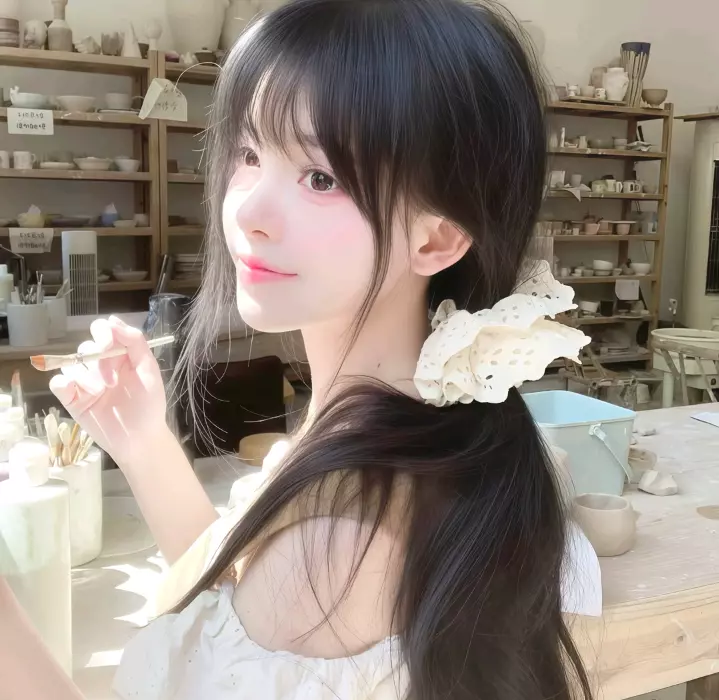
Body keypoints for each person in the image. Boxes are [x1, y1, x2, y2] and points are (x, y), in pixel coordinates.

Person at [0, 1, 603, 698]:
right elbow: (235, 610)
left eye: (320, 177)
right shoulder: (426, 422)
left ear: (436, 238)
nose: (247, 210)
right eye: (249, 154)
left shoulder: (341, 543)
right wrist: (142, 442)